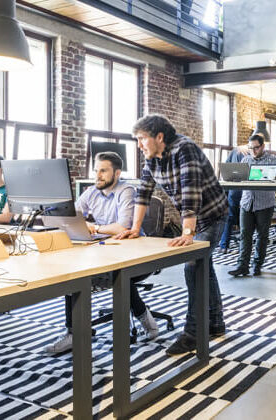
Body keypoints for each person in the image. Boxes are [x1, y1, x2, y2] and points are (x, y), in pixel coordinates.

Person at [114, 114, 228, 356]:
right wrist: (134, 228)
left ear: (159, 136)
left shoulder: (184, 149)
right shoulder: (151, 158)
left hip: (212, 215)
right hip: (194, 217)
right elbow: (143, 193)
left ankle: (193, 333)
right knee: (203, 268)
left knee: (193, 266)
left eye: (142, 138)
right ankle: (216, 323)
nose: (139, 144)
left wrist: (188, 233)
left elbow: (191, 192)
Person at [46, 151, 158, 354]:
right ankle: (75, 333)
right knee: (72, 273)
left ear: (117, 173)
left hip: (135, 254)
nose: (97, 175)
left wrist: (94, 228)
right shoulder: (91, 192)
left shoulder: (126, 191)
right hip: (104, 249)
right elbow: (72, 216)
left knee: (120, 274)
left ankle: (145, 320)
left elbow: (123, 227)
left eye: (103, 171)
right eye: (96, 170)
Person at [228, 134, 276, 277]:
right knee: (245, 235)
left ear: (262, 146)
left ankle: (257, 265)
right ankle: (242, 266)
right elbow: (243, 179)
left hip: (264, 203)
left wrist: (253, 175)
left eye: (256, 148)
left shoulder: (272, 160)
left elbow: (270, 177)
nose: (253, 151)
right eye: (251, 148)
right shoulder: (245, 160)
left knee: (262, 236)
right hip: (246, 202)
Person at [218, 145, 249, 253]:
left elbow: (225, 169)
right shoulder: (252, 153)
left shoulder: (236, 150)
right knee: (246, 218)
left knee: (229, 217)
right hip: (248, 190)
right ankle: (243, 247)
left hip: (234, 189)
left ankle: (223, 246)